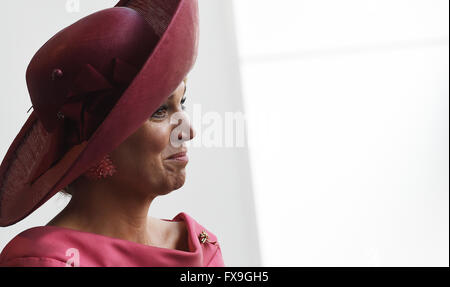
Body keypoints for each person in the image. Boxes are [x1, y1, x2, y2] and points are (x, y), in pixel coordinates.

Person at [0, 0, 225, 267]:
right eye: (159, 111)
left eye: (182, 103)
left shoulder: (199, 248)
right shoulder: (45, 262)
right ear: (97, 144)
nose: (189, 132)